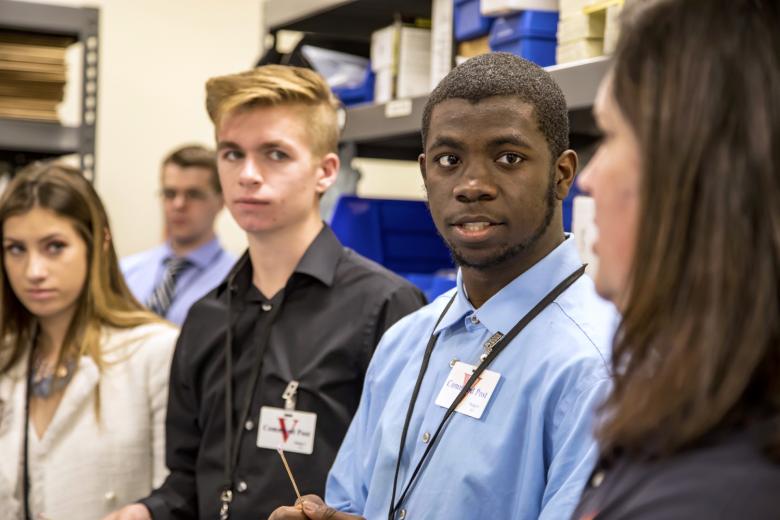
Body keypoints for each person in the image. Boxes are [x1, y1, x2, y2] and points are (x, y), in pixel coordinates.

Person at [270, 52, 618, 520]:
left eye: (508, 158)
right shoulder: (405, 344)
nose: (472, 184)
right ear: (425, 174)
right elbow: (351, 498)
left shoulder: (597, 365)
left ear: (562, 174)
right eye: (449, 160)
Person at [106, 65, 426, 520]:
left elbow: (407, 484)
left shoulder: (386, 307)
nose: (248, 174)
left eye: (275, 154)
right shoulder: (205, 317)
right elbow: (186, 480)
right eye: (232, 154)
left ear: (325, 171)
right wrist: (148, 511)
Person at [571, 1, 780, 518]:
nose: (588, 178)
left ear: (695, 176)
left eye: (611, 133)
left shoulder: (714, 495)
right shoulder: (698, 413)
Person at [0, 163, 179, 520]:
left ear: (98, 243)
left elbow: (176, 496)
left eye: (54, 247)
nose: (34, 271)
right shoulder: (8, 357)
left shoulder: (154, 351)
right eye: (16, 249)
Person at [121, 144, 235, 325]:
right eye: (170, 193)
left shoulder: (235, 282)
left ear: (222, 201)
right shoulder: (125, 273)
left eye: (193, 194)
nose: (179, 204)